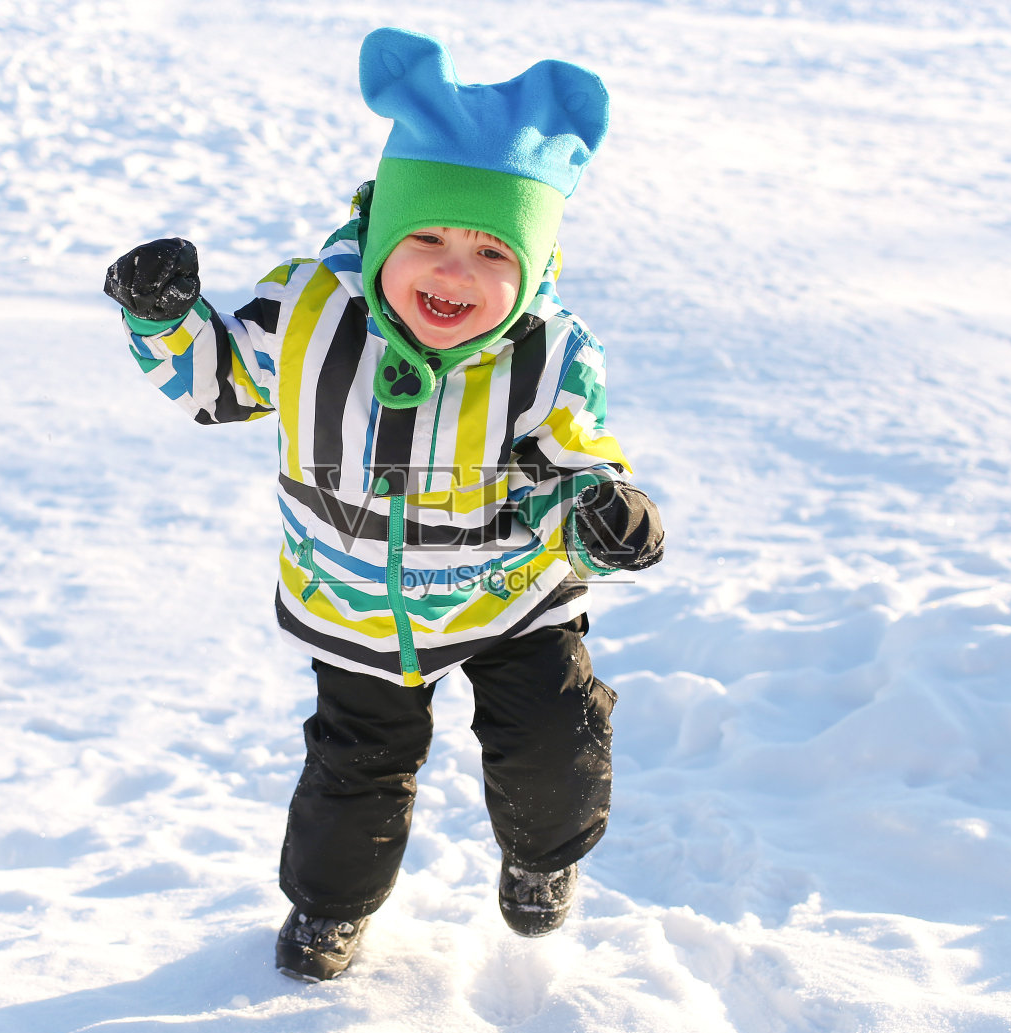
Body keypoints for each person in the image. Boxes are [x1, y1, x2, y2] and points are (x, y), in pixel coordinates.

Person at [103, 27, 664, 982]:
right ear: (383, 232)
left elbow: (578, 466)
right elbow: (216, 383)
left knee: (554, 745)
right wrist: (163, 315)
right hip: (356, 603)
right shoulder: (312, 312)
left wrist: (607, 518)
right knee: (351, 775)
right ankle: (329, 910)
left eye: (493, 251)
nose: (455, 271)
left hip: (513, 598)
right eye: (430, 238)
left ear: (530, 268)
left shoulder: (550, 353)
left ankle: (542, 858)